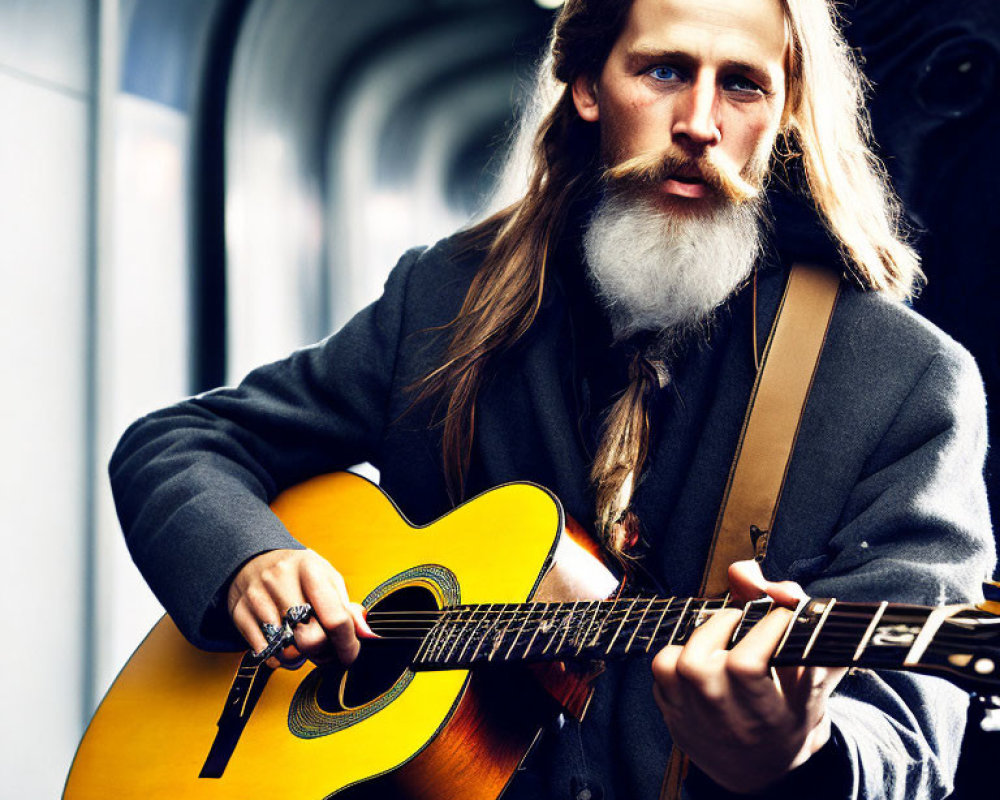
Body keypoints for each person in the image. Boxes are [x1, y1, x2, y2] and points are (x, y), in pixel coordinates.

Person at [110, 0, 994, 798]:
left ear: (787, 115)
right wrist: (248, 561)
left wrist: (799, 755)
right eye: (664, 71)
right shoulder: (447, 297)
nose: (698, 124)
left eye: (744, 87)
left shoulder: (907, 382)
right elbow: (180, 442)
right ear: (584, 84)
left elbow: (911, 729)